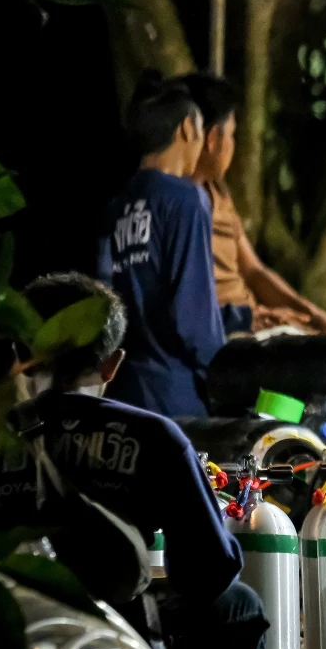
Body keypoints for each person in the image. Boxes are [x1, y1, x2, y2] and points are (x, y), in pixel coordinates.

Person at [0, 273, 267, 649]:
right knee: (239, 607)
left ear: (22, 354)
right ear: (112, 364)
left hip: (2, 635)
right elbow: (207, 575)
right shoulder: (154, 435)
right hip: (111, 639)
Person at [181, 73, 326, 335]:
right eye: (232, 135)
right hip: (227, 332)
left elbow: (253, 271)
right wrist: (246, 318)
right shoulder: (175, 203)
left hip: (254, 322)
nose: (233, 146)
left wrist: (317, 318)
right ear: (213, 138)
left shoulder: (217, 191)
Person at [97, 71, 224, 418]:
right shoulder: (186, 200)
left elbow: (104, 301)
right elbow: (193, 319)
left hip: (124, 393)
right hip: (176, 396)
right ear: (186, 129)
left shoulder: (116, 207)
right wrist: (224, 375)